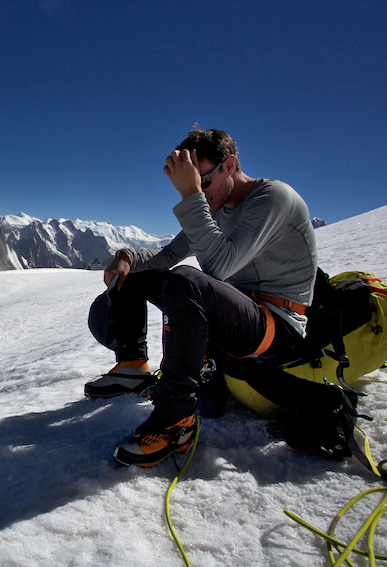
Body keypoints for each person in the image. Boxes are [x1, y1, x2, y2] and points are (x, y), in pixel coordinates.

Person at [85, 128, 318, 467]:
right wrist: (127, 256)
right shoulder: (217, 206)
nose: (201, 192)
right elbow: (168, 255)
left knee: (186, 281)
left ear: (230, 165)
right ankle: (132, 363)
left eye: (204, 181)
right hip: (238, 318)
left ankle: (174, 418)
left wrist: (192, 195)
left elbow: (219, 266)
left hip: (277, 326)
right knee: (137, 273)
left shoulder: (273, 198)